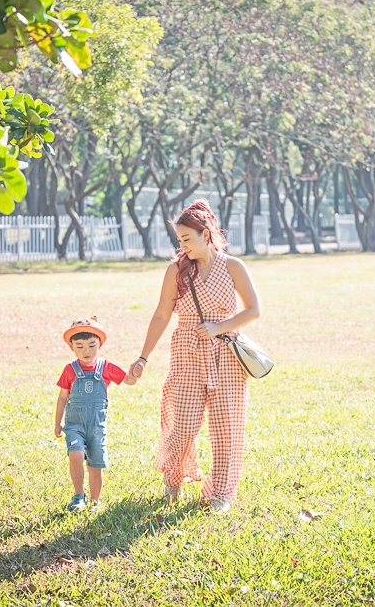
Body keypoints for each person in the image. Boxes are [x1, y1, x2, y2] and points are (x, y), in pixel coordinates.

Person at [130, 199, 262, 514]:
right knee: (183, 424)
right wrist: (143, 358)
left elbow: (254, 310)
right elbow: (162, 315)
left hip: (226, 352)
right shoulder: (176, 270)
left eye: (187, 239)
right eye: (180, 240)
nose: (183, 246)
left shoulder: (233, 266)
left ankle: (220, 495)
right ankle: (173, 478)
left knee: (227, 427)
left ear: (206, 234)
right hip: (187, 351)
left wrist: (220, 327)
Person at [54, 316, 137, 512]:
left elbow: (128, 380)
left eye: (92, 345)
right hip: (74, 425)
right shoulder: (70, 369)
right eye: (80, 346)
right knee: (75, 455)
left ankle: (95, 501)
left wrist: (135, 372)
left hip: (96, 427)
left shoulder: (106, 367)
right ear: (71, 347)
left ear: (99, 343)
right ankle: (78, 495)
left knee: (95, 465)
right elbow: (62, 398)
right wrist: (58, 423)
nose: (87, 351)